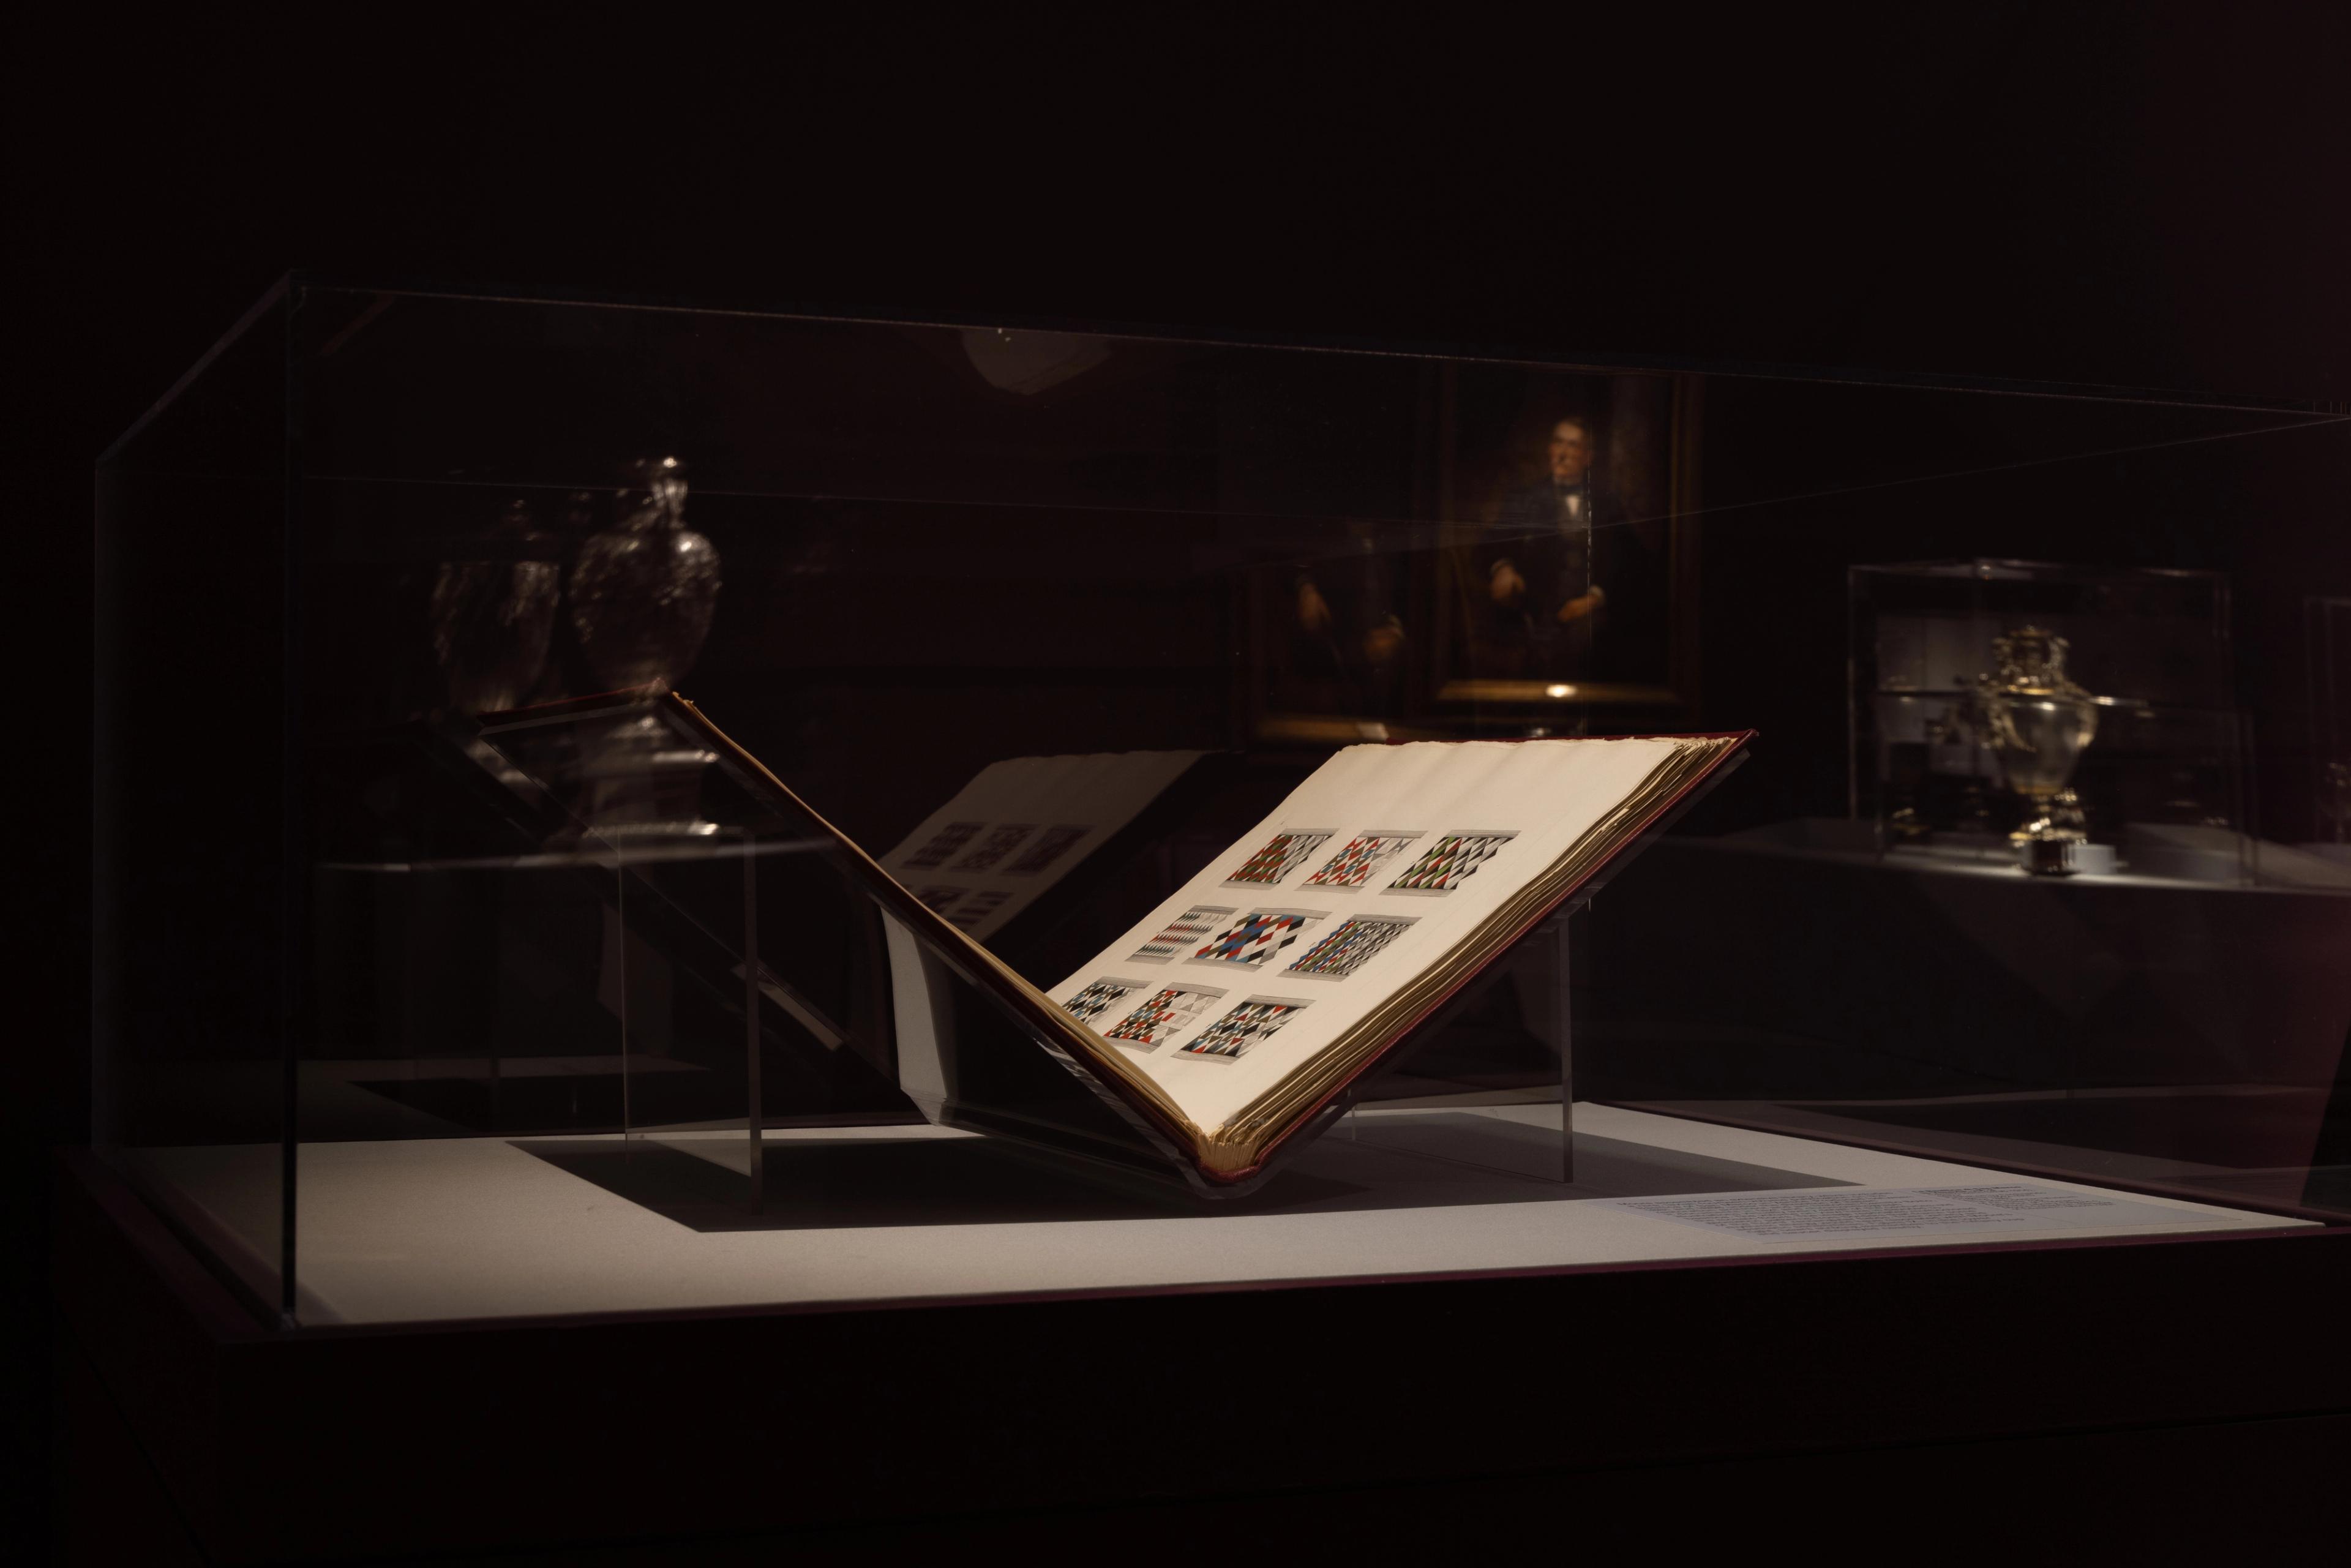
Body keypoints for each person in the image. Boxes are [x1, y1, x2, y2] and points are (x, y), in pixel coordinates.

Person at [1479, 417, 1659, 681]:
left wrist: (1594, 598)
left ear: (1588, 457)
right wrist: (1504, 568)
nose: (1563, 453)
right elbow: (1491, 545)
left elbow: (1633, 559)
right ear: (1549, 449)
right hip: (1532, 610)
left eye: (1573, 446)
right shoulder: (1525, 496)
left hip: (1589, 613)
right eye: (1558, 442)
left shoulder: (1605, 502)